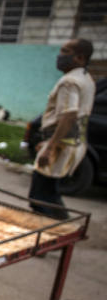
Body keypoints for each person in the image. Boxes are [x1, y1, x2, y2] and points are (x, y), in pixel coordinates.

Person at [28, 39, 96, 219]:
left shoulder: (70, 82)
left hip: (61, 147)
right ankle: (62, 228)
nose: (59, 55)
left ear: (80, 57)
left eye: (65, 51)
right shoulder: (86, 78)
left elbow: (69, 116)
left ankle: (56, 232)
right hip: (71, 143)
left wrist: (49, 147)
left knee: (40, 197)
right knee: (50, 193)